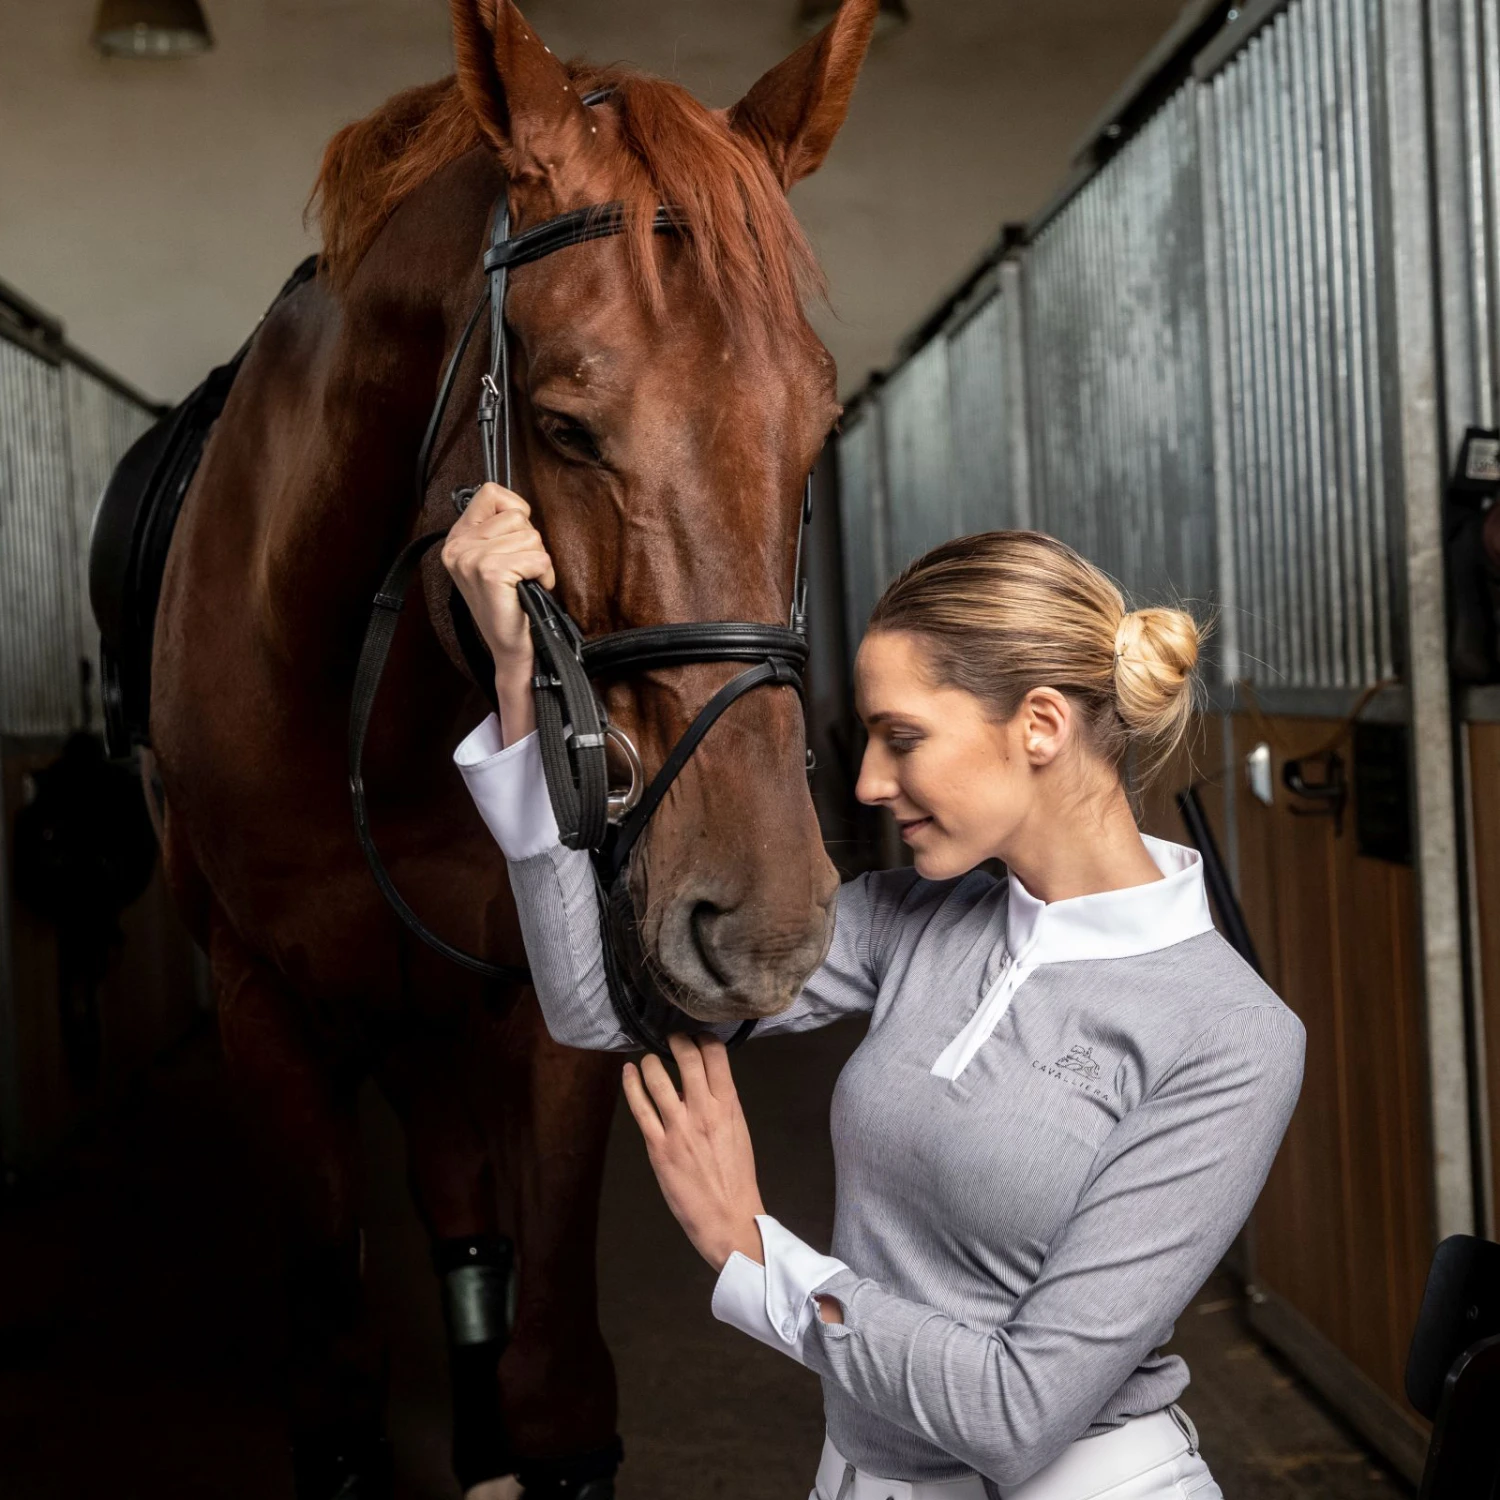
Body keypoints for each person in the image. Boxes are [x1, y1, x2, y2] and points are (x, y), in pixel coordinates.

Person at [442, 483, 1305, 1500]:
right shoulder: (909, 918)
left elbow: (1017, 1413)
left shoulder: (1230, 1035)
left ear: (1039, 725)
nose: (867, 785)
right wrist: (520, 680)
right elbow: (600, 1005)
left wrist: (754, 1254)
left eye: (903, 737)